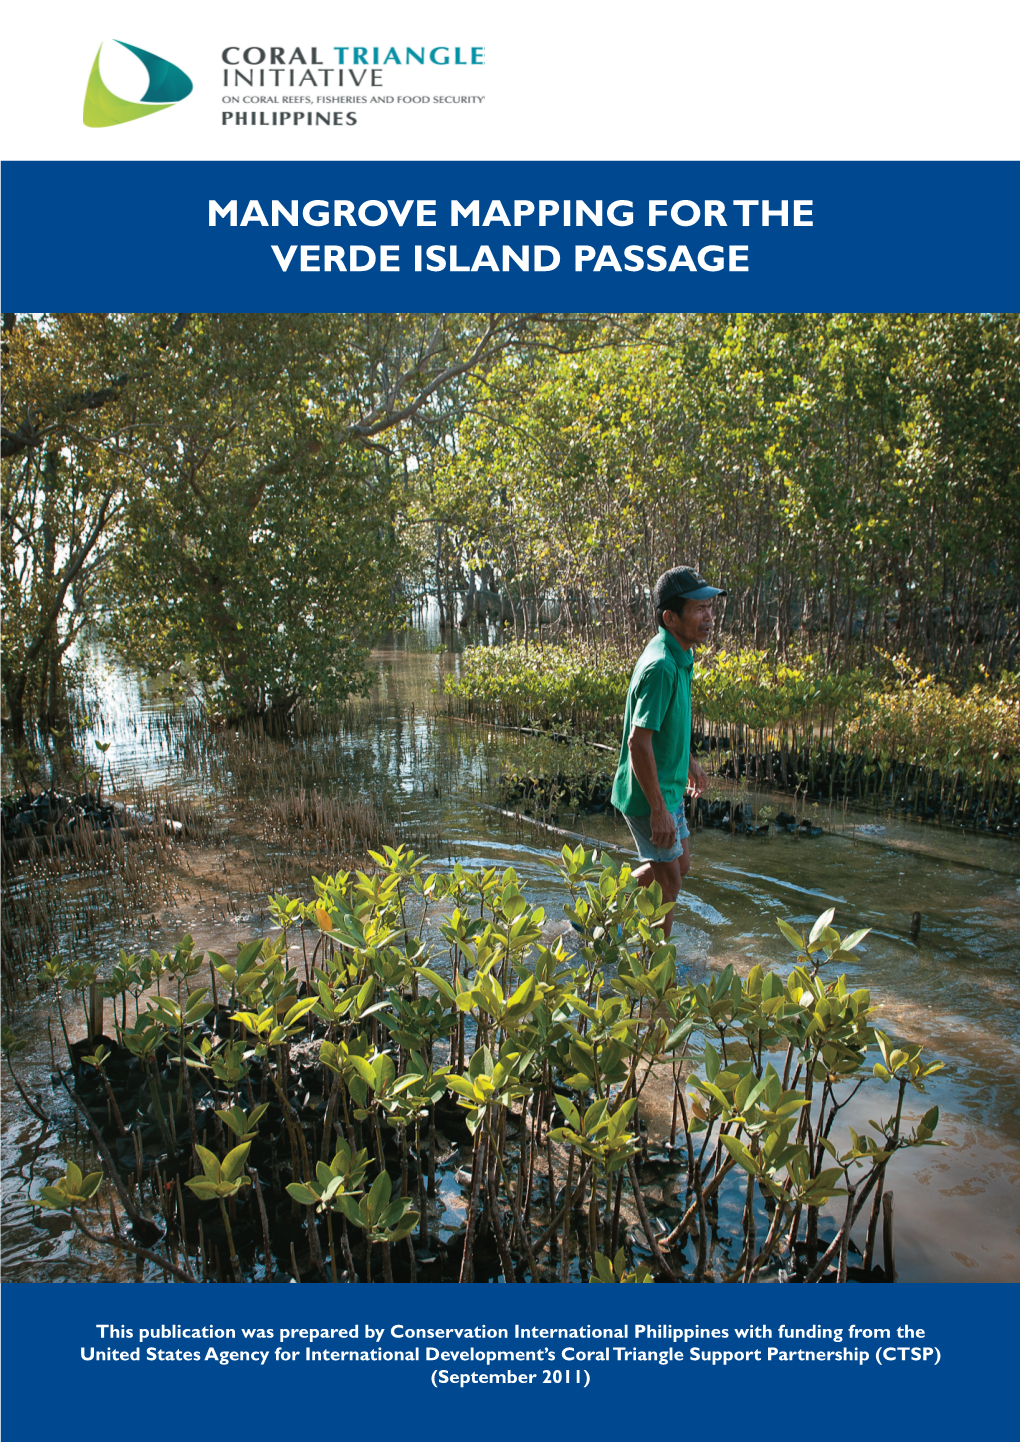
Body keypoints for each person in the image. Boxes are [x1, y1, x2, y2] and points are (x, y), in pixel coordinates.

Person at [610, 566, 727, 937]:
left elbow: (665, 728)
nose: (708, 617)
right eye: (698, 609)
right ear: (670, 617)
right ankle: (657, 975)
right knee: (670, 885)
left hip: (670, 787)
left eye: (710, 607)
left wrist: (690, 763)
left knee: (681, 866)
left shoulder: (680, 654)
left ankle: (608, 906)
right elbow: (637, 742)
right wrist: (659, 810)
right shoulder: (661, 665)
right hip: (650, 796)